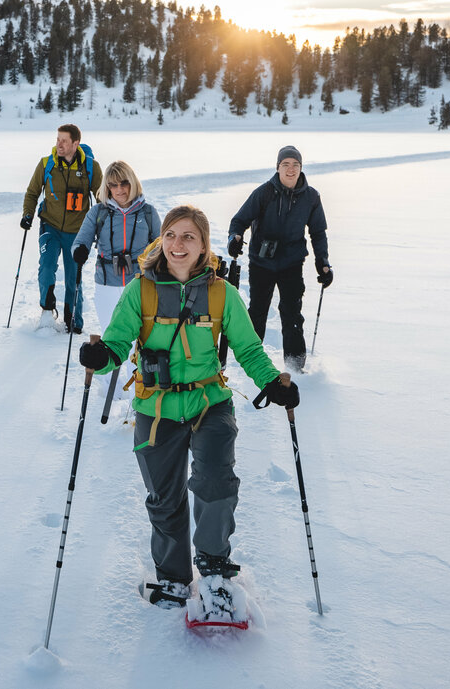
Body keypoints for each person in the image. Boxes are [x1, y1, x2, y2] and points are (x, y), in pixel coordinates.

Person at [78, 205, 299, 616]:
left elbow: (249, 348)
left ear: (203, 246)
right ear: (162, 240)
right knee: (164, 498)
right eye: (171, 235)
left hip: (208, 402)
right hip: (155, 406)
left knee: (216, 482)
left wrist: (271, 382)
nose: (178, 245)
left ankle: (214, 568)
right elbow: (116, 344)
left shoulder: (221, 293)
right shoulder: (140, 291)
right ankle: (173, 577)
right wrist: (98, 357)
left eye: (189, 237)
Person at [227, 145, 332, 372]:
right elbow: (239, 221)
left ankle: (295, 366)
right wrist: (234, 239)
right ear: (278, 168)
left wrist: (322, 262)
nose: (291, 169)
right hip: (261, 262)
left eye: (295, 164)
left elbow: (318, 232)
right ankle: (250, 360)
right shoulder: (264, 192)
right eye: (286, 164)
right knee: (257, 311)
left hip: (292, 263)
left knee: (292, 313)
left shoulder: (311, 197)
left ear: (301, 168)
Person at [21, 124, 101, 332]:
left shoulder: (91, 168)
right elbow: (32, 193)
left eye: (64, 141)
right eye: (57, 139)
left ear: (76, 143)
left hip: (78, 231)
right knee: (47, 267)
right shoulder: (46, 164)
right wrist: (27, 215)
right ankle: (47, 312)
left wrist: (102, 224)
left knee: (74, 276)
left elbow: (103, 199)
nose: (59, 144)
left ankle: (72, 317)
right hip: (51, 226)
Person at [72, 160, 161, 332]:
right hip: (106, 284)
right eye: (113, 185)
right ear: (107, 187)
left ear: (133, 182)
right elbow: (80, 240)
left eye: (124, 183)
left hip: (140, 284)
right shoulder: (98, 212)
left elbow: (160, 246)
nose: (119, 190)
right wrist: (79, 250)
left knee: (139, 337)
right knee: (111, 335)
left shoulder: (148, 212)